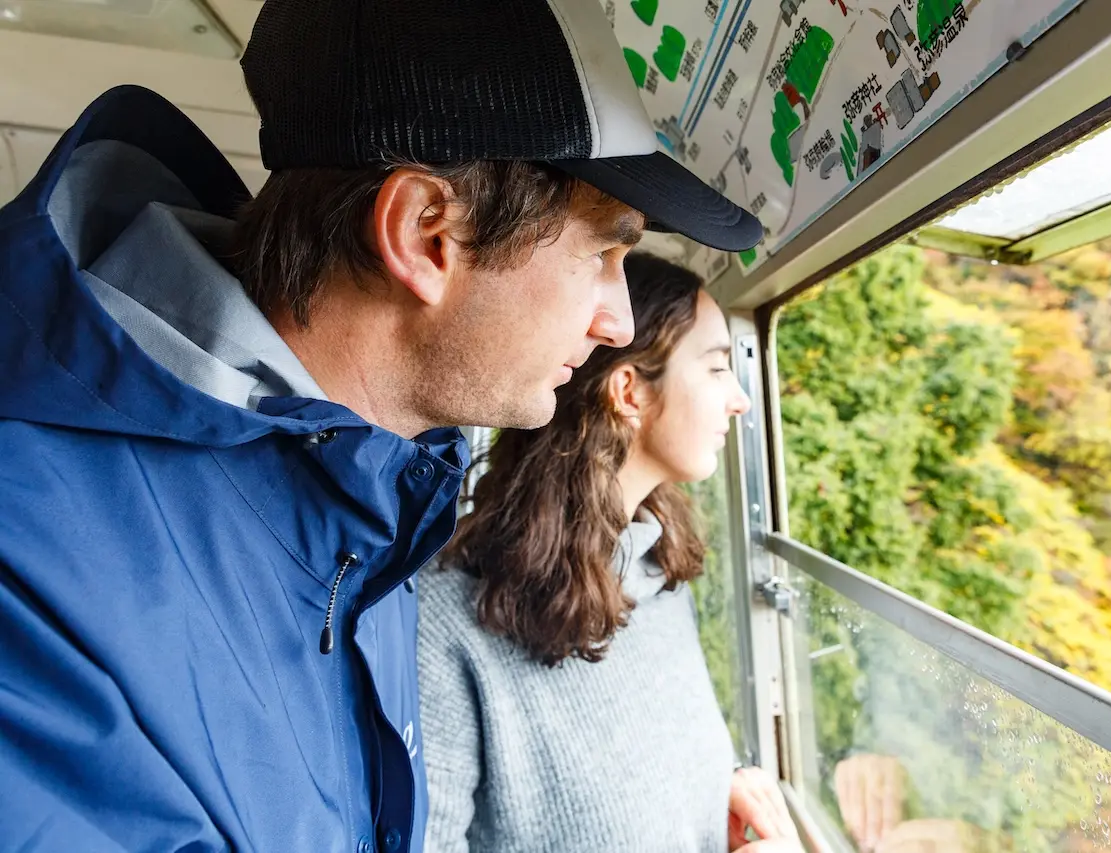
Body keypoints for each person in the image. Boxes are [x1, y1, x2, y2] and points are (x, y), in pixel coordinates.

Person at [0, 0, 762, 850]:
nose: (617, 321)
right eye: (601, 254)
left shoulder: (379, 489)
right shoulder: (30, 577)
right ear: (424, 233)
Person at [415, 253, 799, 852]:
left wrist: (712, 786)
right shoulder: (447, 625)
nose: (740, 401)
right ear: (630, 392)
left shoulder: (661, 578)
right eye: (718, 368)